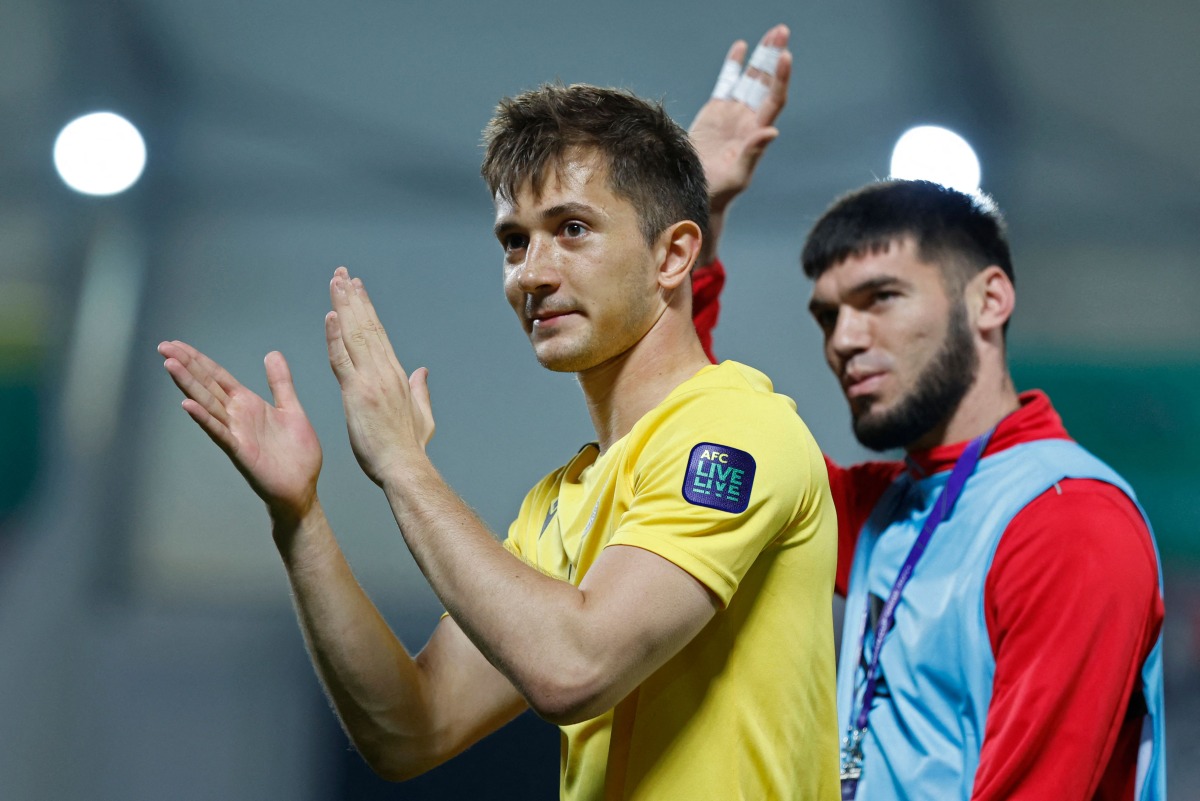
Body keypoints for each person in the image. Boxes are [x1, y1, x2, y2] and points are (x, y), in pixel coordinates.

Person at [159, 82, 841, 800]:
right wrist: (299, 516)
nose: (532, 274)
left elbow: (574, 666)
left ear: (673, 256)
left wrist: (401, 464)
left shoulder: (733, 431)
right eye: (515, 240)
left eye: (572, 228)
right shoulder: (560, 498)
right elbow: (411, 729)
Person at [688, 26, 1166, 801]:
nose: (843, 339)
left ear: (990, 300)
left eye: (880, 298)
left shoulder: (1067, 520)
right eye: (827, 316)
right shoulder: (889, 507)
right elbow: (703, 430)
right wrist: (698, 204)